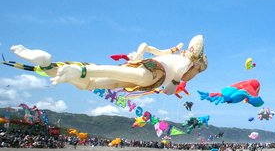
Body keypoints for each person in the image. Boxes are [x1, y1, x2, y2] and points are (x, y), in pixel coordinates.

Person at [9, 35, 208, 95]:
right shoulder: (184, 62)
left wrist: (137, 55)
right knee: (116, 75)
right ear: (196, 64)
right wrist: (173, 85)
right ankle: (80, 70)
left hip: (143, 66)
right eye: (197, 72)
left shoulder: (174, 56)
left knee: (94, 84)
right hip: (154, 73)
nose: (194, 76)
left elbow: (146, 46)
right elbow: (169, 90)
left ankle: (46, 64)